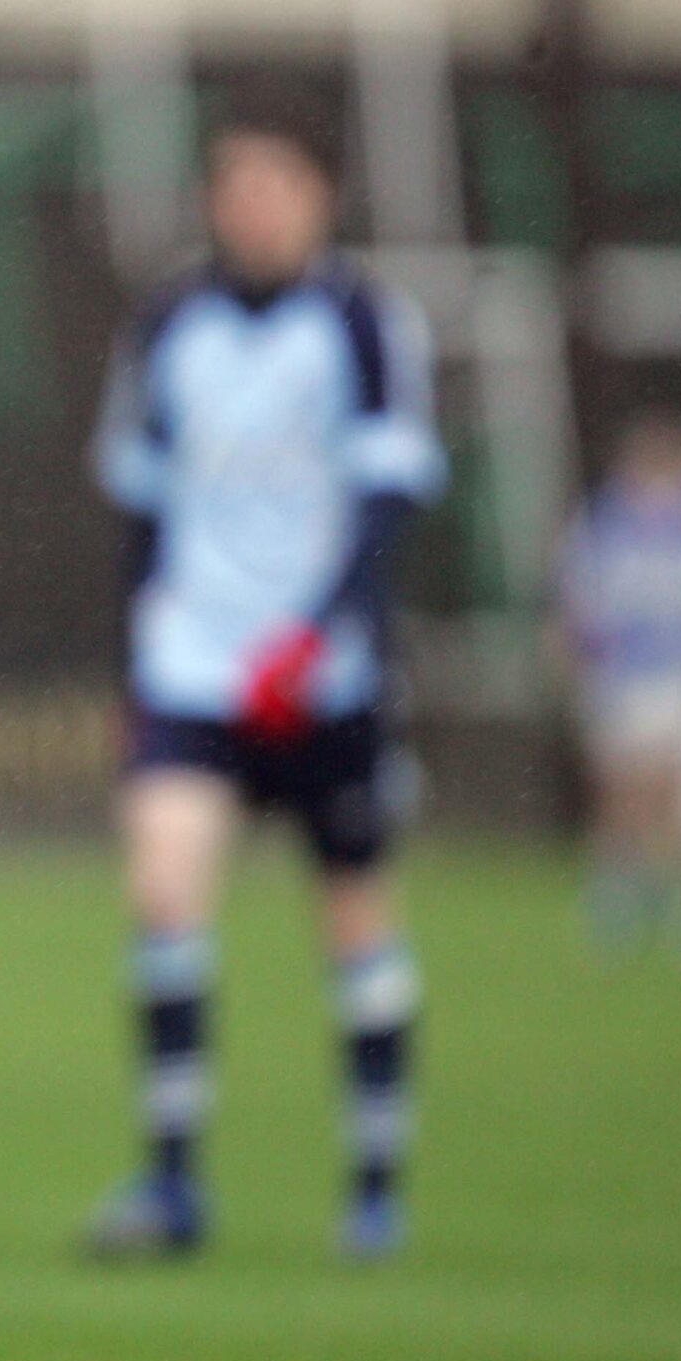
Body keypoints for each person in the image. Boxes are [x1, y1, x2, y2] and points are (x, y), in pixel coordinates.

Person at [85, 82, 447, 1262]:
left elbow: (390, 497)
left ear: (318, 196)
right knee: (164, 893)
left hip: (323, 678)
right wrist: (145, 642)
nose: (250, 205)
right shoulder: (169, 321)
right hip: (193, 667)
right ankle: (174, 1182)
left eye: (273, 184)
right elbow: (138, 498)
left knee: (354, 920)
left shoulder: (360, 321)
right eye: (232, 184)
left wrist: (324, 632)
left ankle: (375, 1187)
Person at [555, 411, 681, 948]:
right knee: (623, 793)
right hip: (625, 677)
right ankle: (617, 898)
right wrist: (578, 661)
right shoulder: (606, 524)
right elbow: (578, 602)